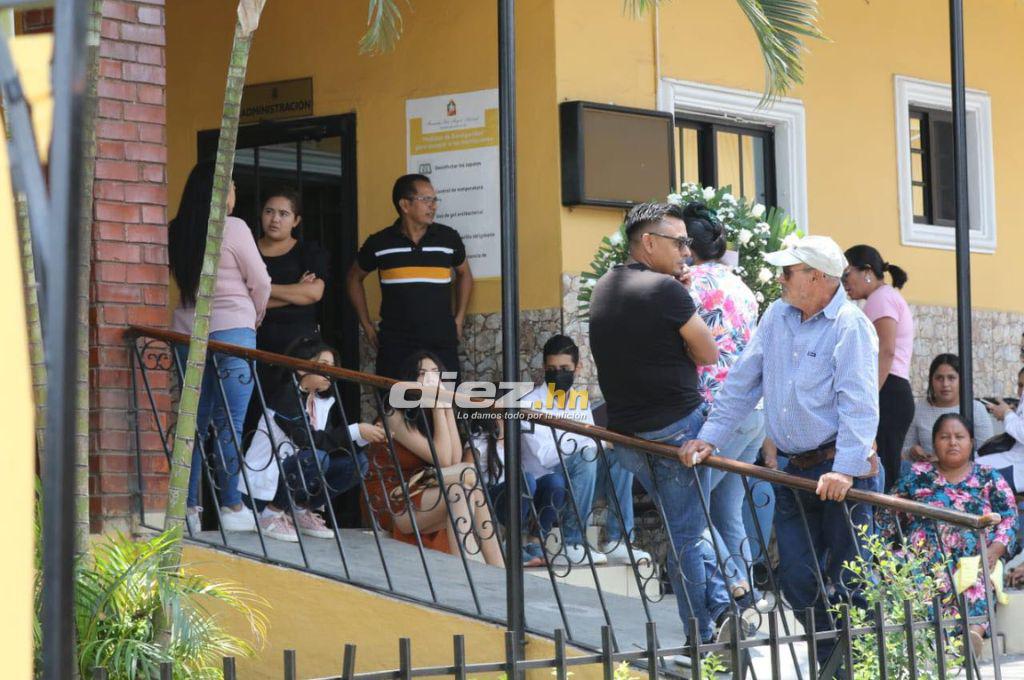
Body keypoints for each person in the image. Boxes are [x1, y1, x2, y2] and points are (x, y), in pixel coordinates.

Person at [682, 234, 882, 666]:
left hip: (839, 470)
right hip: (796, 471)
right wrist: (712, 434)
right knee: (795, 580)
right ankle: (833, 662)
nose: (779, 278)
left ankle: (855, 668)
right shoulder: (777, 314)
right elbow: (743, 379)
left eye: (788, 271)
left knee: (851, 583)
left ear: (816, 277)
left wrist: (845, 469)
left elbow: (860, 403)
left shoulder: (851, 325)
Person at [589, 201, 730, 652]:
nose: (688, 251)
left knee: (688, 524)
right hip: (676, 431)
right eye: (680, 242)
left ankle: (732, 597)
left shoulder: (606, 285)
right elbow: (708, 354)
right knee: (688, 533)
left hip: (627, 435)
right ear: (648, 243)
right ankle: (704, 631)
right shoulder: (668, 294)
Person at [168, 161, 271, 535]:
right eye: (230, 185)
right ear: (218, 191)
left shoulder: (178, 231)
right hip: (233, 333)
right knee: (230, 421)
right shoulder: (234, 227)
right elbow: (259, 280)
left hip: (187, 335)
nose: (234, 193)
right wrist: (254, 315)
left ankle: (188, 508)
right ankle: (230, 504)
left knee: (192, 425)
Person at [683, 203, 765, 606]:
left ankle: (737, 587)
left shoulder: (685, 285)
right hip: (754, 411)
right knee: (727, 510)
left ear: (685, 245)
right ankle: (746, 593)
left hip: (716, 413)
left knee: (690, 506)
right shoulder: (741, 285)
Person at [890, 413, 1016, 656]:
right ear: (934, 442)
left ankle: (973, 635)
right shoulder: (916, 474)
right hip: (924, 556)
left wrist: (995, 550)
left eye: (959, 436)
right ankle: (932, 636)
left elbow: (1009, 517)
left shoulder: (989, 476)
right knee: (916, 576)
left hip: (976, 556)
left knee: (977, 577)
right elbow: (890, 514)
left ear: (971, 442)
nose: (952, 442)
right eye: (945, 437)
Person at [521, 335, 652, 566]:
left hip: (584, 478)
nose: (557, 374)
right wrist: (592, 442)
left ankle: (617, 540)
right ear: (544, 368)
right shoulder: (529, 403)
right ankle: (573, 541)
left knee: (620, 456)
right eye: (551, 369)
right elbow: (546, 456)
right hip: (550, 484)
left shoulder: (578, 401)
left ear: (577, 368)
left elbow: (589, 443)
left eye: (564, 368)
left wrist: (596, 443)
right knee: (589, 453)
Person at [239, 336, 386, 542]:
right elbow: (309, 441)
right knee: (315, 457)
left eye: (333, 367)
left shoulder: (320, 402)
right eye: (324, 365)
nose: (331, 372)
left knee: (357, 463)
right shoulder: (286, 396)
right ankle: (269, 514)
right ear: (301, 368)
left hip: (294, 477)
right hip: (266, 486)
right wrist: (355, 430)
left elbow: (330, 444)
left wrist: (366, 436)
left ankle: (299, 510)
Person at [363, 352, 504, 566]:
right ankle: (466, 573)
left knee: (466, 489)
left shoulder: (431, 412)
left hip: (425, 490)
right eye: (422, 374)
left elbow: (453, 459)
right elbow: (442, 460)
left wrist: (445, 407)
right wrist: (439, 406)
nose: (430, 380)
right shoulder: (394, 414)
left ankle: (497, 572)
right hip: (394, 500)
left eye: (435, 374)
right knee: (468, 476)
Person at [346, 175, 473, 379]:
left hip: (442, 340)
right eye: (426, 200)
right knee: (394, 405)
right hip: (396, 343)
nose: (433, 206)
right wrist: (367, 325)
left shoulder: (448, 238)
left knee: (445, 405)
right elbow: (353, 279)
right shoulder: (379, 243)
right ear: (405, 204)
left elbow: (465, 274)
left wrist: (459, 318)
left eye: (434, 200)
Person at [842, 245, 914, 492]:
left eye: (847, 274)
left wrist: (869, 397)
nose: (844, 283)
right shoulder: (884, 297)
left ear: (867, 272)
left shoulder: (881, 298)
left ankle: (886, 528)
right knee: (884, 463)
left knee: (884, 467)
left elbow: (886, 350)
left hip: (888, 390)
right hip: (892, 389)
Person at [466, 414, 561, 566]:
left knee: (554, 482)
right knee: (526, 480)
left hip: (517, 496)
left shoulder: (514, 439)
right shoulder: (480, 439)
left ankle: (535, 541)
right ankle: (511, 545)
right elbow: (465, 473)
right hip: (490, 498)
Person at [255, 187, 329, 356]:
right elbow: (242, 302)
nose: (275, 219)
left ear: (296, 220)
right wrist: (295, 291)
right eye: (269, 211)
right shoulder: (247, 250)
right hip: (254, 343)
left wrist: (262, 289)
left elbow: (313, 293)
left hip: (300, 345)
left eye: (284, 214)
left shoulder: (308, 252)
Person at [903, 354, 993, 462]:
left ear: (962, 380)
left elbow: (988, 453)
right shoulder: (919, 409)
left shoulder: (976, 409)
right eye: (939, 378)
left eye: (951, 378)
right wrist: (912, 451)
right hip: (928, 474)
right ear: (931, 380)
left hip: (967, 475)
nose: (945, 384)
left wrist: (946, 460)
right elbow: (905, 450)